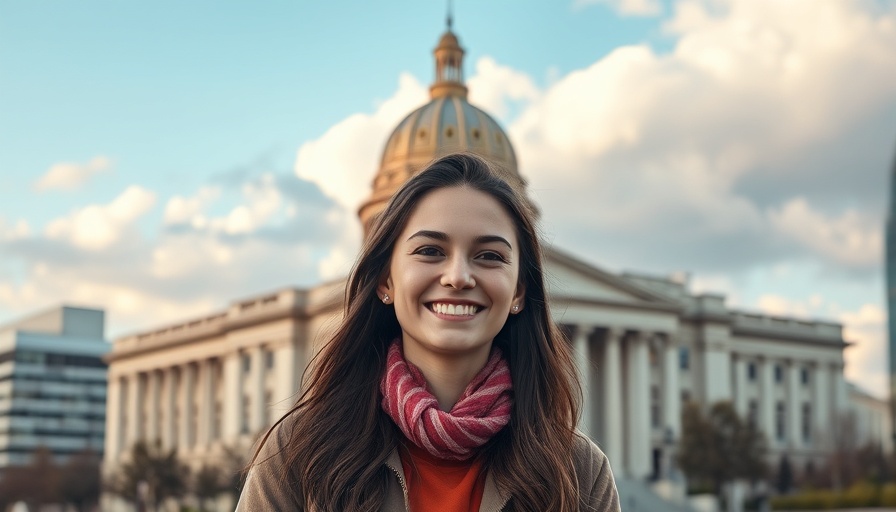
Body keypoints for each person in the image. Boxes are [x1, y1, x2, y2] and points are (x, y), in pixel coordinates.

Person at [236, 153, 620, 511]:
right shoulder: (298, 451)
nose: (457, 277)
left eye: (489, 255)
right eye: (430, 251)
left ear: (519, 290)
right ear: (385, 280)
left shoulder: (578, 472)